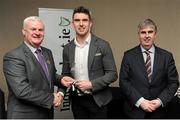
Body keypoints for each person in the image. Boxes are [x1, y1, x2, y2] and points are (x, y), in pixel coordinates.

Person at [60, 6, 118, 119]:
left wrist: (91, 84)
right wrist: (60, 93)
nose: (81, 24)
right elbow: (65, 75)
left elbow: (112, 74)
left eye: (85, 20)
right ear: (72, 24)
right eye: (77, 20)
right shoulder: (67, 48)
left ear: (90, 23)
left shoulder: (102, 45)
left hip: (98, 100)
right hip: (77, 101)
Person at [3, 16, 64, 119]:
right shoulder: (13, 56)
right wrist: (52, 98)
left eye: (40, 30)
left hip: (46, 114)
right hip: (25, 115)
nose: (37, 32)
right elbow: (22, 90)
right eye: (33, 29)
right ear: (24, 32)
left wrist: (62, 79)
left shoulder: (47, 52)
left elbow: (49, 76)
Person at [119, 18, 179, 118]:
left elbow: (173, 83)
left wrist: (160, 101)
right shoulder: (128, 56)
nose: (147, 36)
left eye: (150, 32)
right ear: (138, 35)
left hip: (160, 111)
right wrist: (140, 101)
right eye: (143, 32)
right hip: (135, 111)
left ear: (155, 34)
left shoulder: (167, 56)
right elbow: (123, 81)